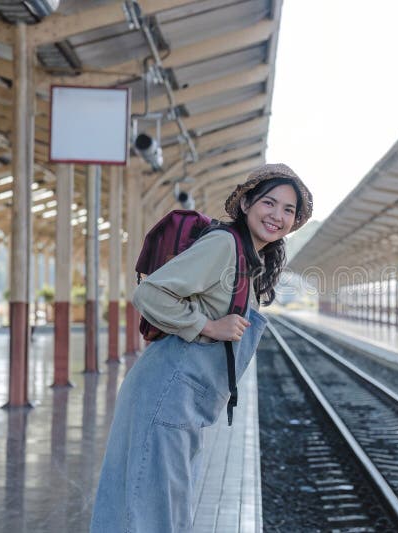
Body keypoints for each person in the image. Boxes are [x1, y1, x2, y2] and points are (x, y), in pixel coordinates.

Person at [90, 163, 313, 532]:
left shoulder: (247, 257)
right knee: (154, 509)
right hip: (167, 391)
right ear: (245, 203)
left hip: (182, 397)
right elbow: (150, 291)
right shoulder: (225, 244)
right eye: (269, 203)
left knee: (153, 502)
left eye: (288, 210)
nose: (277, 216)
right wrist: (207, 325)